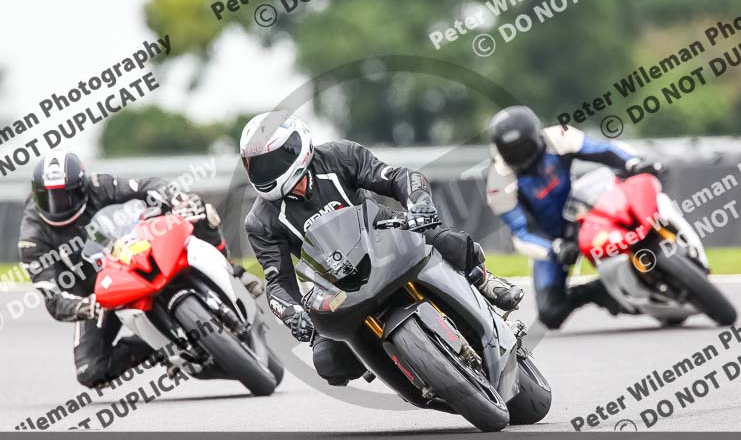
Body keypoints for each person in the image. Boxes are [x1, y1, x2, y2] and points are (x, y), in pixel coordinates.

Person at [241, 111, 524, 386]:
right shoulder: (260, 222)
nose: (267, 171)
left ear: (296, 146)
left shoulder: (340, 156)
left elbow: (397, 177)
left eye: (273, 160)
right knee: (329, 362)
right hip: (335, 284)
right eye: (257, 165)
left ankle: (485, 281)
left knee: (443, 239)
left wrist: (420, 202)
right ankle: (392, 363)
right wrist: (292, 313)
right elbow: (278, 281)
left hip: (386, 237)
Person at [17, 150, 257, 389]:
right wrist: (82, 306)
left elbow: (145, 186)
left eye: (65, 196)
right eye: (47, 197)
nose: (57, 205)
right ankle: (162, 347)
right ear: (35, 194)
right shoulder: (32, 240)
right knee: (90, 370)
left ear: (81, 186)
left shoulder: (97, 185)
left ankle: (232, 271)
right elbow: (52, 296)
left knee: (198, 210)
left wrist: (175, 198)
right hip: (101, 292)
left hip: (137, 248)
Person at [485, 106, 664, 330]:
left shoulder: (559, 137)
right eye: (514, 153)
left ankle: (663, 245)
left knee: (637, 194)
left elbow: (605, 150)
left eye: (525, 148)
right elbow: (521, 233)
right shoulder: (498, 183)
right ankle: (599, 291)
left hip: (583, 214)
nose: (524, 159)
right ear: (501, 152)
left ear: (537, 136)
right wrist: (554, 249)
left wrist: (633, 163)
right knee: (550, 313)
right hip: (553, 241)